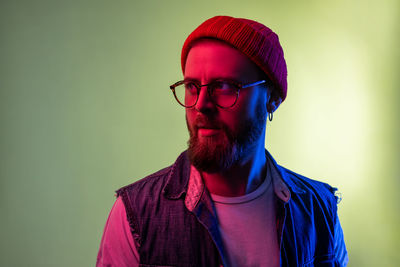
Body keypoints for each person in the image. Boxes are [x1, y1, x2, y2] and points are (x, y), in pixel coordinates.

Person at [96, 15, 348, 267]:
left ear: (271, 98)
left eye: (225, 86)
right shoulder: (136, 215)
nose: (201, 104)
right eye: (192, 86)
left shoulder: (318, 209)